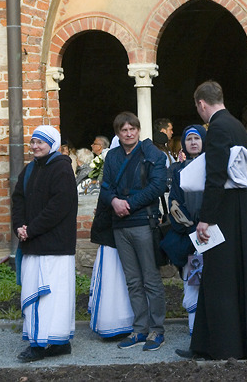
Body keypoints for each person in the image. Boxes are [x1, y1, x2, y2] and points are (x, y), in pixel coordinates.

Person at [175, 80, 247, 360]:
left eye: (198, 108)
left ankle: (219, 345)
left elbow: (215, 176)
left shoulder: (216, 128)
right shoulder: (237, 125)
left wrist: (206, 219)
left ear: (201, 104)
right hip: (240, 208)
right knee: (236, 273)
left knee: (219, 276)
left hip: (224, 212)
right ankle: (231, 344)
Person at [100, 112, 168, 351]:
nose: (128, 134)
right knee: (133, 281)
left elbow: (158, 185)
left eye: (132, 129)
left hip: (143, 221)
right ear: (118, 133)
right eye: (124, 130)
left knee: (150, 278)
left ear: (138, 130)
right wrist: (114, 202)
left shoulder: (150, 154)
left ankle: (157, 330)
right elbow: (105, 187)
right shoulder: (112, 157)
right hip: (120, 224)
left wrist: (129, 204)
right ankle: (140, 328)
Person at [12, 125, 78, 362]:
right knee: (35, 291)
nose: (35, 146)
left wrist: (32, 229)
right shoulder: (29, 170)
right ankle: (40, 340)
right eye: (33, 142)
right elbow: (18, 200)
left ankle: (52, 342)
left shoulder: (61, 168)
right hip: (33, 243)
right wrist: (19, 226)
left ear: (52, 144)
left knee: (53, 295)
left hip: (55, 245)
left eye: (41, 142)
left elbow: (59, 206)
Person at [161, 124, 207, 336]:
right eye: (189, 139)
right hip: (190, 237)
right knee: (193, 280)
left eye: (197, 138)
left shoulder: (211, 167)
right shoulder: (178, 171)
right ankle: (194, 326)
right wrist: (191, 225)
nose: (193, 143)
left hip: (210, 234)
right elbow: (175, 202)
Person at [87, 138, 134, 339]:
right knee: (111, 276)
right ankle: (110, 321)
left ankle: (130, 320)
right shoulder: (109, 171)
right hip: (110, 232)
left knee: (129, 278)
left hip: (130, 228)